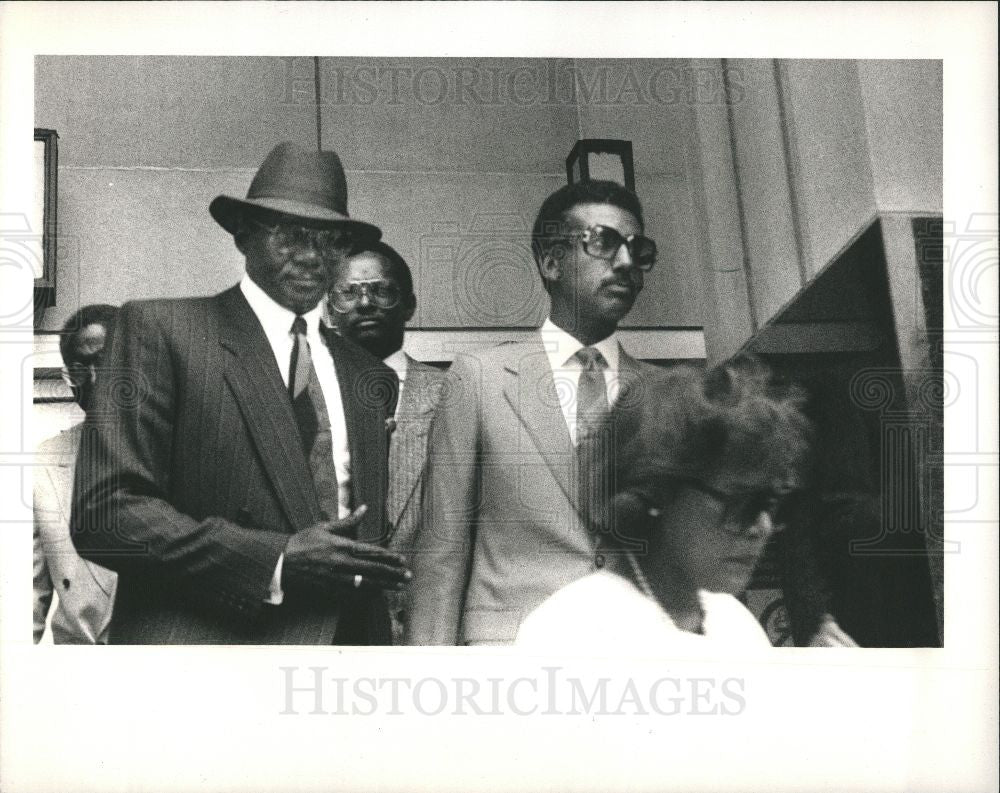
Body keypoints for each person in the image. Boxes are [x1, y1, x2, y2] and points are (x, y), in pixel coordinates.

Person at [71, 142, 410, 644]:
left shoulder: (366, 374)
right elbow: (107, 514)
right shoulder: (163, 330)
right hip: (210, 657)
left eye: (330, 239)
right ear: (244, 235)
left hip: (341, 658)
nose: (312, 255)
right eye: (290, 234)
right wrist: (273, 560)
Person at [407, 180, 663, 645]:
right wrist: (429, 681)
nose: (626, 263)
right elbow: (442, 549)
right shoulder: (479, 378)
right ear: (550, 262)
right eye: (603, 242)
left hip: (637, 654)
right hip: (512, 654)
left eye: (637, 248)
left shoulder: (664, 393)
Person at [515, 356, 812, 652]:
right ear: (658, 490)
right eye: (742, 501)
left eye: (770, 503)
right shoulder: (569, 632)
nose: (762, 526)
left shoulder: (737, 625)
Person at [327, 241, 444, 644]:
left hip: (424, 634)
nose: (365, 303)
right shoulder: (300, 399)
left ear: (409, 305)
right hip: (323, 633)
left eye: (381, 290)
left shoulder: (455, 396)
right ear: (328, 309)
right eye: (349, 293)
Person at [33, 304, 119, 644]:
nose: (95, 379)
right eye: (82, 367)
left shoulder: (190, 453)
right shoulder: (42, 465)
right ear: (69, 379)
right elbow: (21, 609)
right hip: (80, 678)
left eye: (107, 361)